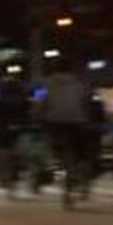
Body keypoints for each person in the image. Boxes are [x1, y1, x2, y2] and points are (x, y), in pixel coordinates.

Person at [41, 57, 93, 200]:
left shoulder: (48, 83)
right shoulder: (79, 83)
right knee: (81, 152)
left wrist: (39, 117)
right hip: (77, 121)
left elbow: (42, 103)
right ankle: (80, 177)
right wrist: (87, 119)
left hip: (55, 122)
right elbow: (86, 102)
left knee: (56, 147)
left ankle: (57, 164)